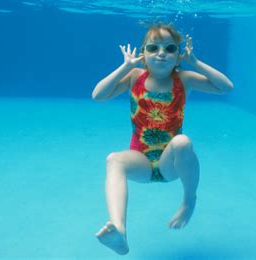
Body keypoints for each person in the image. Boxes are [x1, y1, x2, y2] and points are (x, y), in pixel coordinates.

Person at [91, 23, 234, 255]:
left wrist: (196, 63)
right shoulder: (134, 76)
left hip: (171, 163)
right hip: (141, 162)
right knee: (113, 159)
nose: (161, 53)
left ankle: (189, 200)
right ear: (143, 54)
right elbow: (98, 95)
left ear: (178, 56)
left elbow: (226, 87)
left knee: (182, 142)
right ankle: (119, 230)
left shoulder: (184, 79)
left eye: (170, 48)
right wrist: (124, 67)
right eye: (153, 47)